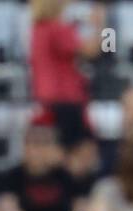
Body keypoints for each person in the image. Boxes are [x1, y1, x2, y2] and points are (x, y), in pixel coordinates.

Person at [29, 0, 103, 146]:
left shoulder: (38, 29)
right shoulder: (57, 28)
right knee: (76, 147)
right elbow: (93, 51)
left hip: (47, 97)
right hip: (65, 99)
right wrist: (101, 27)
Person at [0, 122, 79, 211]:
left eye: (44, 144)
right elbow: (8, 206)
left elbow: (79, 206)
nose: (38, 150)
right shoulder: (14, 174)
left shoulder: (64, 174)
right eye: (33, 143)